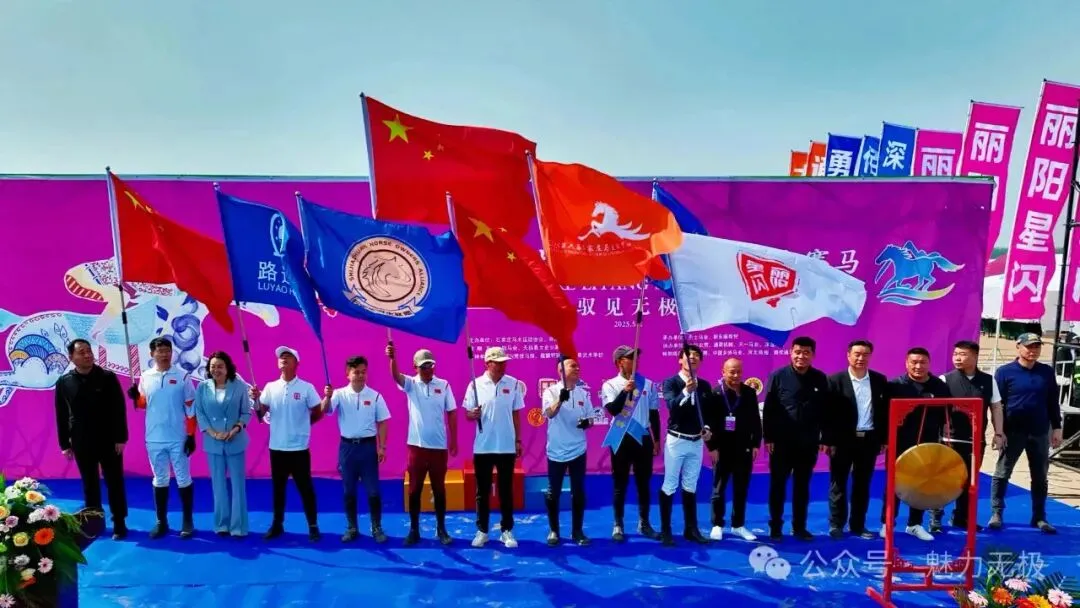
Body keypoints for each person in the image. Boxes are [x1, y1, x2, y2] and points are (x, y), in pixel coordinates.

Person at [54, 338, 129, 540]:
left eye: (89, 351)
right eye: (82, 352)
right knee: (90, 483)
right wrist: (64, 444)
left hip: (109, 439)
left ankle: (119, 522)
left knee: (114, 482)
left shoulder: (107, 377)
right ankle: (94, 522)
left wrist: (121, 438)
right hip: (81, 440)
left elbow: (119, 409)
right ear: (71, 357)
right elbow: (61, 414)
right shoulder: (64, 382)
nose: (87, 355)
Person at [990, 333, 1064, 534]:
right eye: (1029, 346)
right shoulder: (1004, 372)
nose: (1033, 350)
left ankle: (1039, 516)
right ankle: (996, 513)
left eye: (1036, 347)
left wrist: (1057, 427)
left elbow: (1052, 401)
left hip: (1039, 431)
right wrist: (999, 432)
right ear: (1018, 347)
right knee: (1002, 473)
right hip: (1012, 431)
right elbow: (996, 405)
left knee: (1040, 476)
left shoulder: (1046, 372)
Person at [386, 342, 457, 546]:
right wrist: (392, 358)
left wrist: (454, 439)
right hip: (416, 447)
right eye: (423, 366)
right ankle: (414, 530)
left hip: (439, 447)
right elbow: (395, 376)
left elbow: (451, 412)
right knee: (415, 490)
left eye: (430, 365)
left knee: (439, 489)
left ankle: (441, 529)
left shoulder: (443, 385)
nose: (428, 369)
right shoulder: (411, 384)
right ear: (415, 367)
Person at [251, 346, 323, 542]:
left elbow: (318, 411)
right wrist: (255, 400)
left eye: (288, 356)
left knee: (305, 488)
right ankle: (277, 524)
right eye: (281, 357)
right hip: (277, 448)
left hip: (299, 448)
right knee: (278, 488)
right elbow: (260, 414)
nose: (283, 358)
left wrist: (304, 426)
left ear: (296, 363)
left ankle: (313, 525)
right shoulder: (270, 387)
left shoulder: (306, 388)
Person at [128, 337, 197, 540]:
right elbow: (143, 404)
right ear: (152, 354)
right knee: (160, 479)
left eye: (168, 350)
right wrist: (135, 397)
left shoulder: (183, 376)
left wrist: (191, 435)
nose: (165, 354)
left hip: (178, 437)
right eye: (160, 351)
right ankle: (161, 522)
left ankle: (187, 521)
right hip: (154, 438)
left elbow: (190, 407)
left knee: (183, 479)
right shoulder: (145, 376)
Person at [932, 340, 1004, 533]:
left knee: (969, 481)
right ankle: (936, 518)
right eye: (955, 354)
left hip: (975, 441)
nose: (957, 358)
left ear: (975, 356)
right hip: (949, 440)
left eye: (962, 354)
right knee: (943, 480)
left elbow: (996, 408)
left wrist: (998, 433)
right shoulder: (945, 379)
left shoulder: (988, 381)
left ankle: (961, 518)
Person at [762, 336, 829, 541]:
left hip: (808, 443)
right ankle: (775, 526)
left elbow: (826, 411)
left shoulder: (820, 378)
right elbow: (769, 409)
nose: (801, 356)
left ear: (813, 355)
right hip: (781, 442)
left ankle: (799, 527)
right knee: (778, 485)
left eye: (806, 352)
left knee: (802, 486)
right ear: (791, 353)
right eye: (797, 352)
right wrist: (769, 438)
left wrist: (824, 438)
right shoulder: (778, 376)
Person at [822, 340, 890, 540]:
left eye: (865, 354)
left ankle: (858, 525)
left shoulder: (879, 380)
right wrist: (827, 440)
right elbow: (827, 414)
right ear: (848, 355)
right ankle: (836, 524)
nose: (861, 358)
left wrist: (883, 439)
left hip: (868, 440)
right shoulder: (835, 380)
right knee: (838, 483)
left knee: (862, 484)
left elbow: (883, 412)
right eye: (857, 354)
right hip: (842, 440)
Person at [882, 347, 950, 542]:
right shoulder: (895, 385)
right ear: (906, 363)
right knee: (894, 483)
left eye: (922, 362)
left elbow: (945, 415)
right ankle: (887, 523)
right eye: (914, 362)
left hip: (927, 445)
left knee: (921, 485)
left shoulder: (939, 386)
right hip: (899, 443)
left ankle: (914, 524)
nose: (918, 366)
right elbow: (883, 415)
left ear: (929, 364)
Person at [321, 355, 391, 543]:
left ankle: (376, 527)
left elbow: (383, 422)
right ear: (348, 374)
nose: (360, 376)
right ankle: (352, 527)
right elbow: (325, 410)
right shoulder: (339, 394)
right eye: (356, 372)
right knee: (349, 491)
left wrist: (382, 446)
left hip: (368, 448)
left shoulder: (375, 396)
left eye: (363, 372)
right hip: (347, 449)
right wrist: (327, 397)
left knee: (373, 491)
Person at [463, 346, 524, 548]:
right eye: (498, 363)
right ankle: (482, 531)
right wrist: (473, 414)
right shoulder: (475, 384)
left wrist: (518, 440)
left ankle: (506, 530)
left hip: (506, 446)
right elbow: (467, 413)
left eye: (504, 362)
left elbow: (516, 414)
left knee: (506, 490)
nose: (502, 366)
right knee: (482, 491)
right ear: (487, 363)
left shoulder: (513, 383)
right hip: (483, 446)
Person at [600, 345, 661, 542]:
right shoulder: (610, 385)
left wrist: (657, 439)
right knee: (620, 483)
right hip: (621, 437)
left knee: (643, 483)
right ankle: (618, 524)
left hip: (643, 438)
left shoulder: (647, 384)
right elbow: (613, 410)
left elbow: (654, 414)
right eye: (630, 358)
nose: (635, 361)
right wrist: (625, 392)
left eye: (636, 357)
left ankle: (644, 523)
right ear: (620, 362)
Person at [659, 344, 714, 546]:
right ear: (680, 360)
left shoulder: (705, 385)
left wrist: (707, 428)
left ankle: (691, 529)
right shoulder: (671, 382)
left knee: (690, 485)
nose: (692, 358)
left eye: (697, 355)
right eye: (688, 355)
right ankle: (666, 530)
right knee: (670, 484)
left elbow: (707, 414)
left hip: (696, 442)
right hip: (677, 441)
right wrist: (685, 391)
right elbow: (672, 406)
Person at [193, 351, 251, 537]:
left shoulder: (239, 386)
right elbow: (200, 413)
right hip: (213, 444)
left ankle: (238, 527)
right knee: (218, 486)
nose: (216, 370)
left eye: (220, 366)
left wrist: (236, 429)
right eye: (212, 366)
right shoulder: (202, 388)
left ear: (227, 368)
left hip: (235, 441)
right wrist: (213, 434)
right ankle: (221, 525)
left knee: (238, 486)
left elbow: (246, 413)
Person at [707, 357, 762, 542]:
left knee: (741, 488)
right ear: (723, 372)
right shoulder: (715, 393)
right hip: (722, 449)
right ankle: (717, 524)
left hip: (743, 448)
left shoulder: (749, 392)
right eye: (732, 372)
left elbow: (755, 420)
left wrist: (755, 444)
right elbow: (709, 423)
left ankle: (738, 525)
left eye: (739, 371)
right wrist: (712, 447)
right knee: (719, 488)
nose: (736, 375)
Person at [541, 356, 593, 546]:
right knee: (553, 493)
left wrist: (587, 423)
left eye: (578, 366)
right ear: (560, 370)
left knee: (578, 492)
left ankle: (577, 531)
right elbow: (549, 413)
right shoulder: (550, 392)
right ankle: (554, 530)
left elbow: (591, 418)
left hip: (578, 450)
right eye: (572, 366)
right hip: (556, 451)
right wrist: (560, 400)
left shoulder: (583, 394)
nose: (577, 368)